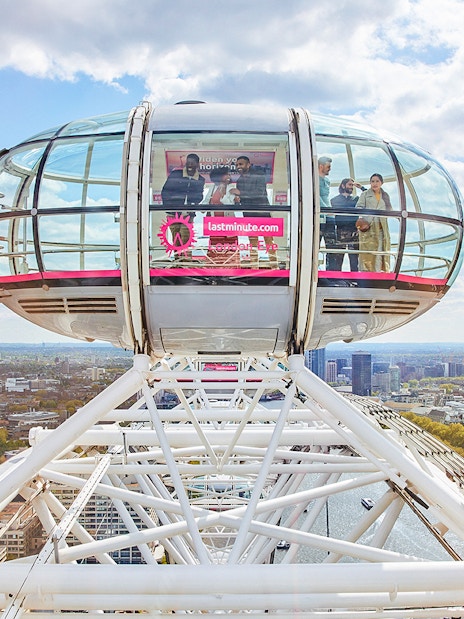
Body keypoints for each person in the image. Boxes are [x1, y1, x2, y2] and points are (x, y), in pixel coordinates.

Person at [231, 156, 277, 268]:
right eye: (237, 165)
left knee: (269, 242)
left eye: (241, 164)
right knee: (253, 244)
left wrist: (240, 193)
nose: (238, 167)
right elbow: (241, 202)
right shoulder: (239, 181)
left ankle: (274, 267)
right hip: (249, 215)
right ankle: (254, 267)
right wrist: (237, 200)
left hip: (263, 213)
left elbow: (259, 193)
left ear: (248, 164)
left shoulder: (259, 174)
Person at [161, 153, 205, 250]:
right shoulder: (176, 174)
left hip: (188, 214)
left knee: (186, 238)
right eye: (188, 162)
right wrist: (169, 206)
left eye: (192, 163)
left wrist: (193, 203)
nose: (189, 165)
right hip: (173, 213)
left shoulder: (200, 179)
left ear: (197, 164)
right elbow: (165, 191)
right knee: (176, 239)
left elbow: (199, 196)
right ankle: (178, 262)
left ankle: (186, 261)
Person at [355, 173, 392, 272]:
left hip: (382, 228)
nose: (374, 184)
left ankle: (379, 271)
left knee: (381, 250)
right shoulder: (365, 194)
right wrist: (362, 218)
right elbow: (359, 207)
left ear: (381, 183)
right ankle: (367, 273)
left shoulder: (385, 195)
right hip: (369, 228)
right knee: (368, 252)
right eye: (372, 181)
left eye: (377, 181)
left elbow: (389, 210)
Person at [204, 166, 239, 266]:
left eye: (229, 174)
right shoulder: (212, 188)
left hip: (228, 224)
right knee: (216, 247)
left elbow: (229, 204)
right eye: (226, 174)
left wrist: (223, 194)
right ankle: (215, 269)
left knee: (230, 247)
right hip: (215, 224)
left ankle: (231, 269)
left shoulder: (231, 188)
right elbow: (206, 202)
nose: (228, 176)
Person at [330, 178, 363, 271]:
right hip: (341, 230)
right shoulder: (334, 200)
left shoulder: (356, 199)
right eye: (349, 185)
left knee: (354, 259)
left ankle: (355, 280)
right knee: (339, 258)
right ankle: (338, 279)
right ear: (343, 185)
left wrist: (362, 188)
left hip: (354, 231)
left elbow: (368, 196)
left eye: (352, 185)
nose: (352, 187)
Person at [318, 156, 336, 270]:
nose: (329, 169)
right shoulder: (314, 180)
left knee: (332, 245)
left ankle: (331, 271)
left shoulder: (327, 181)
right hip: (320, 216)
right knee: (316, 244)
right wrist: (326, 210)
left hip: (329, 216)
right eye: (328, 166)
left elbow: (325, 197)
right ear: (321, 166)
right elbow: (317, 196)